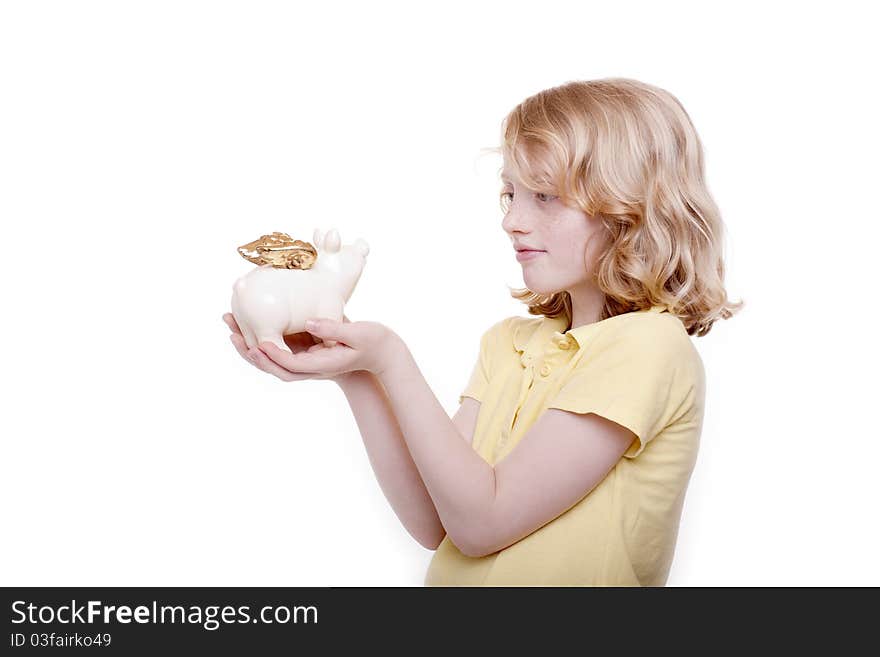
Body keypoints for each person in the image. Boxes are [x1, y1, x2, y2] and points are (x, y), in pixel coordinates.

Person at [223, 77, 743, 586]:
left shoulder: (647, 347)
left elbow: (482, 524)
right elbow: (435, 520)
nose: (512, 220)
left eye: (544, 195)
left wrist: (391, 359)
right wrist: (356, 372)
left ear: (631, 209)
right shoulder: (509, 344)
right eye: (510, 194)